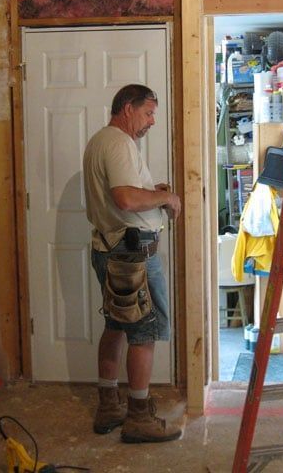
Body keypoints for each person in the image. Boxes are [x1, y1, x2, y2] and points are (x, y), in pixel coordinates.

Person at [82, 84, 182, 443]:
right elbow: (124, 199)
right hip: (132, 254)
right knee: (145, 331)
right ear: (127, 108)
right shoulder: (119, 143)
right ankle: (139, 416)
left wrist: (152, 192)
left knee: (116, 325)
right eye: (148, 112)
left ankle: (109, 405)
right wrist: (167, 197)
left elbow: (122, 193)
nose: (152, 121)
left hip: (111, 249)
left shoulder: (101, 141)